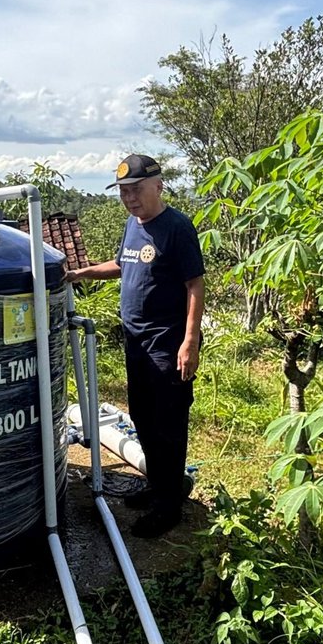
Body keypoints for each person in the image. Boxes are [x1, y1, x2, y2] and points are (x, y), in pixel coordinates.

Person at [65, 154, 205, 538]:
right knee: (143, 417)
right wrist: (81, 273)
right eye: (124, 192)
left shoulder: (177, 228)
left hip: (167, 344)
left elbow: (195, 284)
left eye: (136, 190)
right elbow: (122, 264)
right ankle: (159, 486)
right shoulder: (132, 225)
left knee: (168, 424)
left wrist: (190, 341)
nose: (129, 198)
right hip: (137, 343)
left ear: (158, 186)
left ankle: (168, 507)